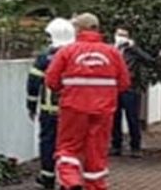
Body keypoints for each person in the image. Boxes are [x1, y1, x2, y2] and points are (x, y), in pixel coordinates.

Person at [45, 13, 131, 190]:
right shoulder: (113, 53)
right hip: (103, 111)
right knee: (96, 151)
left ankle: (71, 181)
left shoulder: (67, 52)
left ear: (78, 29)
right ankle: (96, 185)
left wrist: (67, 90)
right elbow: (124, 83)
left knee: (69, 147)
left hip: (73, 108)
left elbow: (51, 81)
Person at [26, 18, 76, 189]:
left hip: (50, 111)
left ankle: (48, 177)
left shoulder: (44, 57)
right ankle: (68, 180)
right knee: (71, 146)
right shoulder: (77, 54)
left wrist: (31, 105)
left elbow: (33, 83)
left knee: (48, 143)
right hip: (73, 111)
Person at [111, 27, 155, 158]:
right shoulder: (112, 49)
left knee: (132, 118)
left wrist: (134, 47)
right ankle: (116, 145)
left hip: (130, 88)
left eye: (123, 35)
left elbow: (149, 60)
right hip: (114, 88)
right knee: (115, 118)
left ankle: (135, 146)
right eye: (118, 34)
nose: (120, 37)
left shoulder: (132, 51)